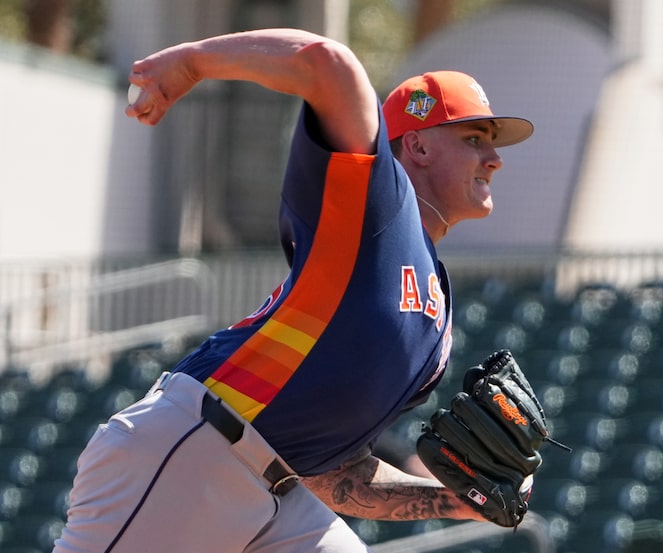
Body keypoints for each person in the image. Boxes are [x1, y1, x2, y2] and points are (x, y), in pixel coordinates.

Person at [53, 28, 533, 553]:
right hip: (193, 453)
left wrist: (457, 499)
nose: (494, 158)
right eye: (474, 138)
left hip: (278, 493)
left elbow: (336, 476)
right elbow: (328, 64)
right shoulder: (378, 207)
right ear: (416, 144)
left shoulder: (436, 309)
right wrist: (192, 63)